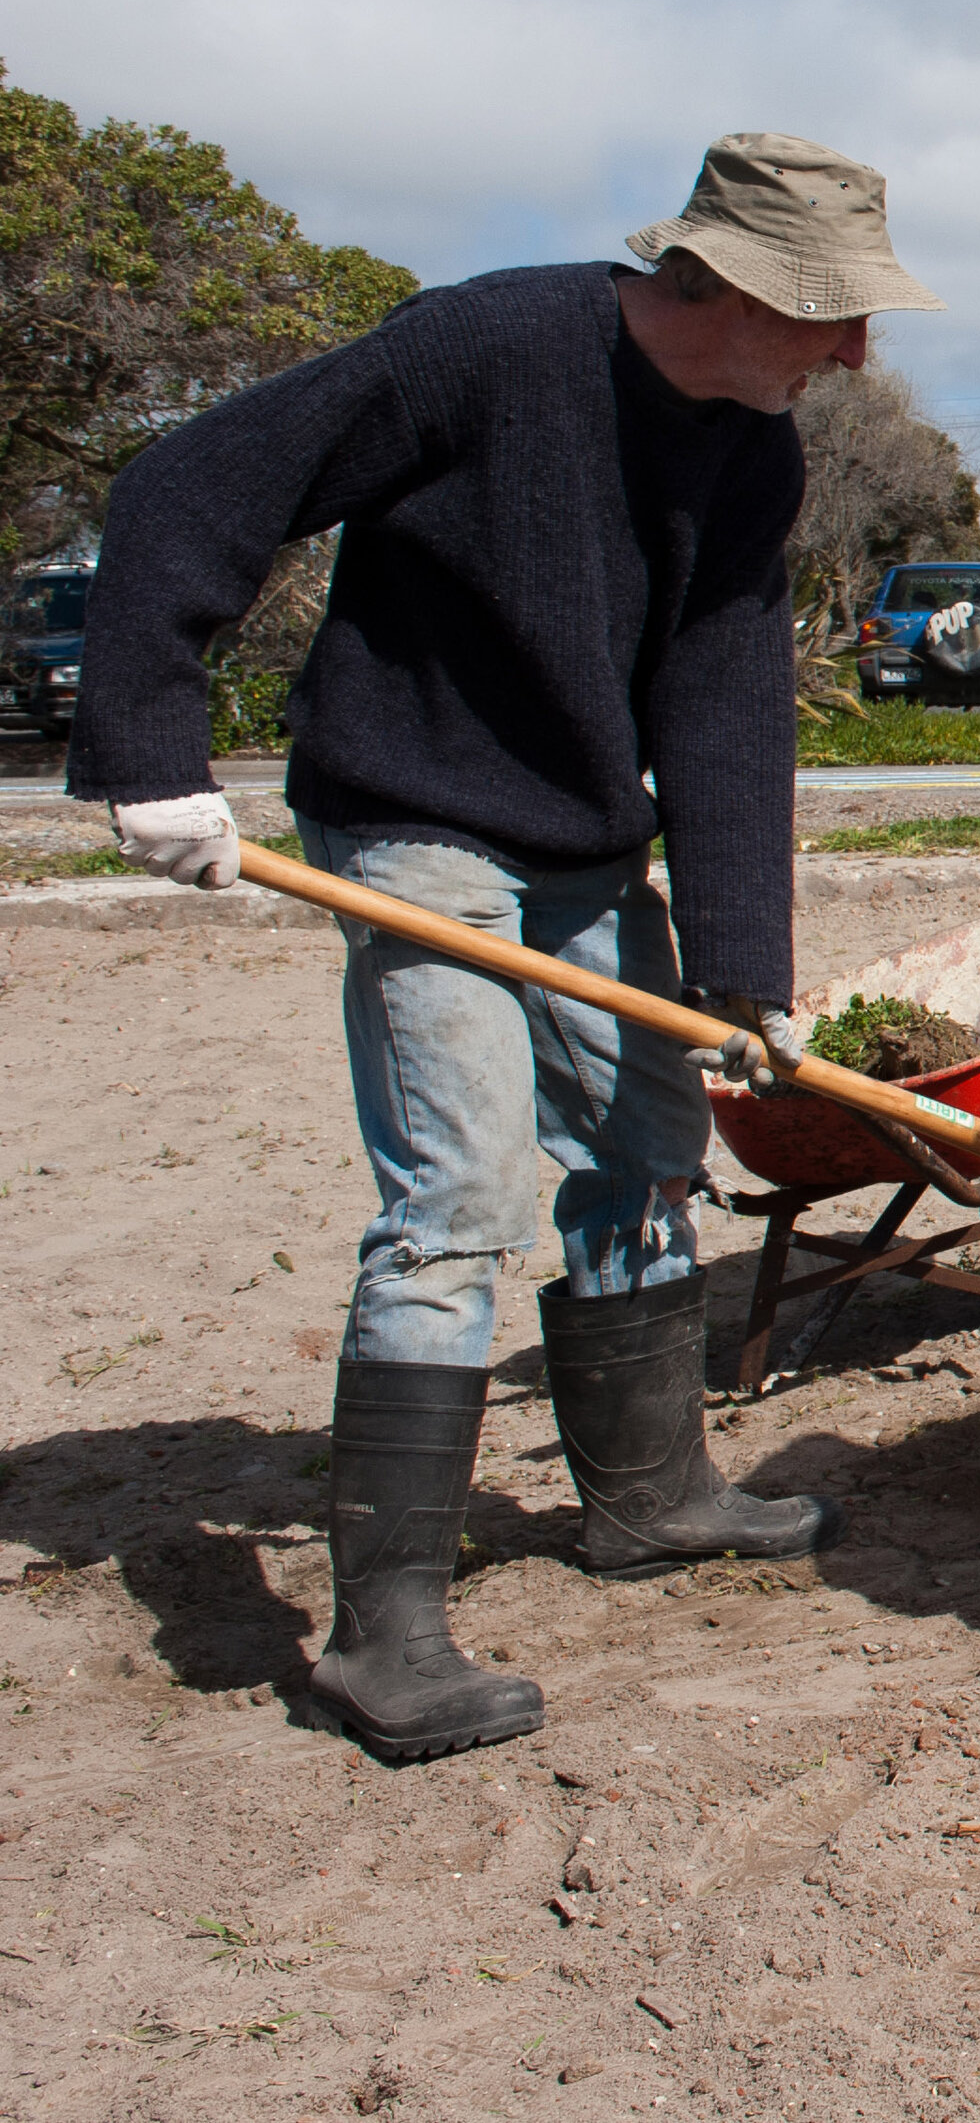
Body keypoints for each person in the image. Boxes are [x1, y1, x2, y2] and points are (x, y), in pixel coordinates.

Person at [71, 133, 907, 1763]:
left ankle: (650, 1494)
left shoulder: (754, 449)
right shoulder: (488, 349)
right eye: (835, 315)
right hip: (416, 821)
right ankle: (386, 1633)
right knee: (456, 1197)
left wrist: (744, 968)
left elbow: (725, 702)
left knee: (647, 1143)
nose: (859, 353)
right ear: (728, 285)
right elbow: (189, 486)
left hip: (586, 840)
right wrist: (149, 751)